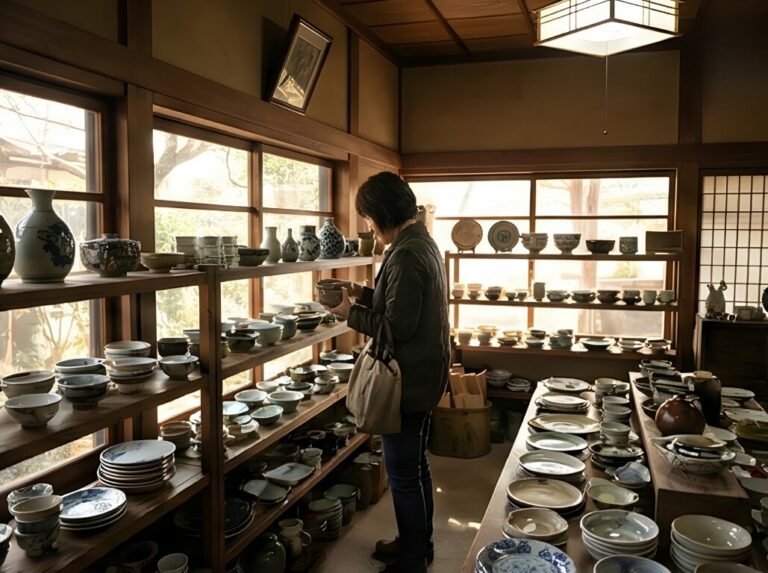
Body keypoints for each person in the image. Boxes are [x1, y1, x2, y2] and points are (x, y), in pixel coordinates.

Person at [329, 171, 449, 573]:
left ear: (381, 213)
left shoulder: (408, 253)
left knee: (402, 474)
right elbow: (401, 304)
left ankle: (413, 560)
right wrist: (362, 293)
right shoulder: (420, 241)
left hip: (409, 381)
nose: (367, 226)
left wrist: (350, 313)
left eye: (367, 217)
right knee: (415, 468)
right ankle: (418, 545)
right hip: (425, 375)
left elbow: (398, 328)